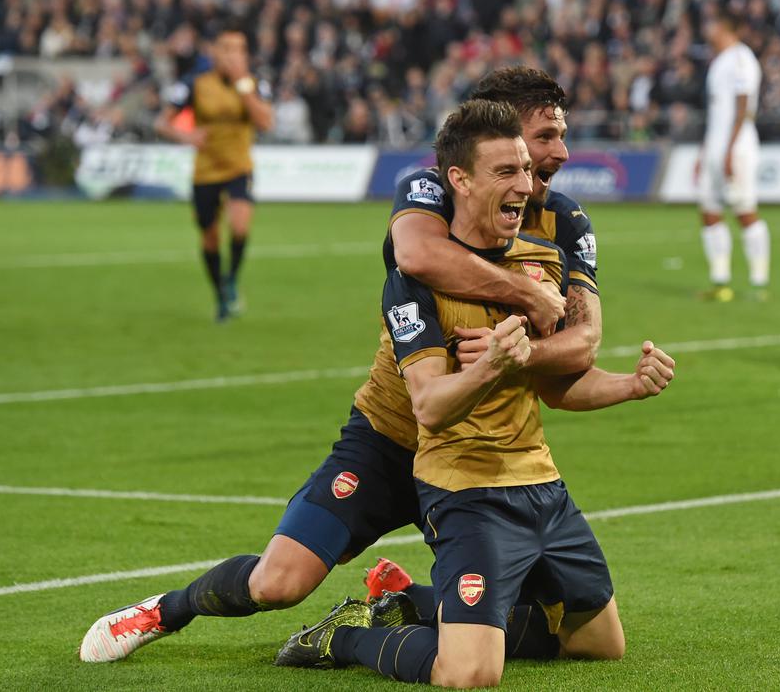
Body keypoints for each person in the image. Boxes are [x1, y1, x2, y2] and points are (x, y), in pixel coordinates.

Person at [78, 68, 594, 664]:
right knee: (279, 582)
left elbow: (585, 343)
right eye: (541, 139)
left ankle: (402, 603)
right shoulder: (429, 193)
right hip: (393, 436)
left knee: (555, 621)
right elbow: (416, 253)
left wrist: (528, 357)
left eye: (554, 142)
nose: (556, 154)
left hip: (481, 462)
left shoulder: (565, 225)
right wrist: (526, 296)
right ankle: (166, 609)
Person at [274, 99, 675, 687]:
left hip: (541, 483)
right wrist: (492, 365)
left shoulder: (544, 263)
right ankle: (347, 637)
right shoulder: (414, 281)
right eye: (508, 171)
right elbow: (430, 407)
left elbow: (559, 385)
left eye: (526, 169)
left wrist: (629, 386)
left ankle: (415, 603)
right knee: (468, 673)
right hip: (468, 488)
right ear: (458, 180)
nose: (528, 180)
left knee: (598, 644)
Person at [154, 26, 273, 322]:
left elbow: (265, 122)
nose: (234, 55)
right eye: (228, 48)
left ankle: (231, 278)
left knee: (240, 226)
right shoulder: (194, 83)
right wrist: (187, 136)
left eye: (240, 49)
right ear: (215, 52)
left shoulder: (254, 84)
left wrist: (243, 85)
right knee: (209, 236)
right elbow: (162, 122)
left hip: (238, 167)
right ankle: (219, 292)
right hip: (205, 170)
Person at [696, 10, 770, 302]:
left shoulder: (742, 58)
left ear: (726, 27)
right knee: (709, 210)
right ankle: (720, 281)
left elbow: (743, 106)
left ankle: (758, 283)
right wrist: (706, 151)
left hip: (736, 147)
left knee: (744, 210)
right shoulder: (719, 61)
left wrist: (730, 148)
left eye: (713, 24)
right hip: (716, 146)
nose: (708, 29)